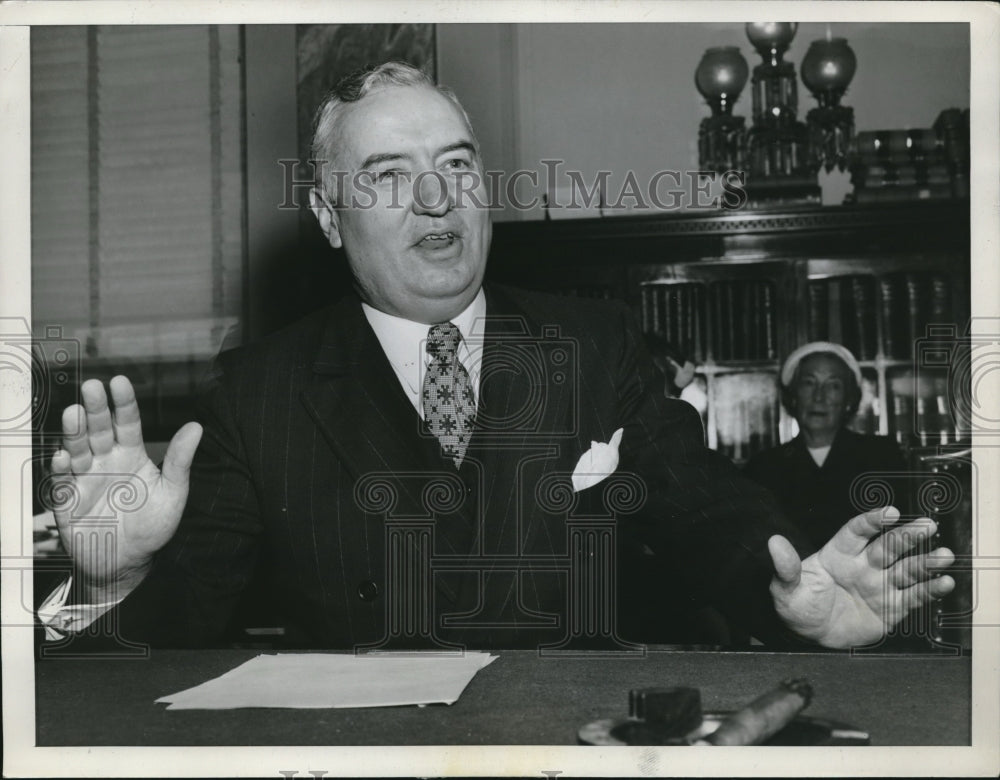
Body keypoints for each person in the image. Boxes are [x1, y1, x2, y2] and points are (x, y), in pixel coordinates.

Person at [41, 62, 954, 651]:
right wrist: (107, 584)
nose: (436, 199)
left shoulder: (594, 343)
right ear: (327, 217)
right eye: (389, 176)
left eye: (459, 165)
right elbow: (168, 653)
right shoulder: (263, 391)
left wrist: (788, 583)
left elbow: (705, 502)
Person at [745, 342, 909, 550]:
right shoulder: (763, 467)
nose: (819, 397)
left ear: (849, 400)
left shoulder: (882, 455)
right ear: (793, 397)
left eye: (833, 385)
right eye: (808, 383)